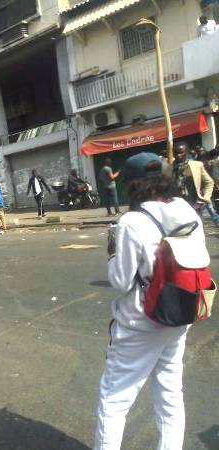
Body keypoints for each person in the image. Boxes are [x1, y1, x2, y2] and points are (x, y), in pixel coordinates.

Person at [95, 152, 204, 450]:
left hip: (141, 322)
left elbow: (120, 281)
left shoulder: (131, 222)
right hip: (181, 312)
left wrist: (113, 251)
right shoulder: (188, 212)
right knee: (170, 395)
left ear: (133, 185)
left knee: (114, 399)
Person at [173, 141, 219, 227]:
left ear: (187, 152)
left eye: (181, 152)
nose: (178, 155)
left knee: (197, 231)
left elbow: (209, 182)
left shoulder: (196, 165)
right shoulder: (168, 168)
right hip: (177, 208)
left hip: (195, 206)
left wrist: (203, 200)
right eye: (175, 152)